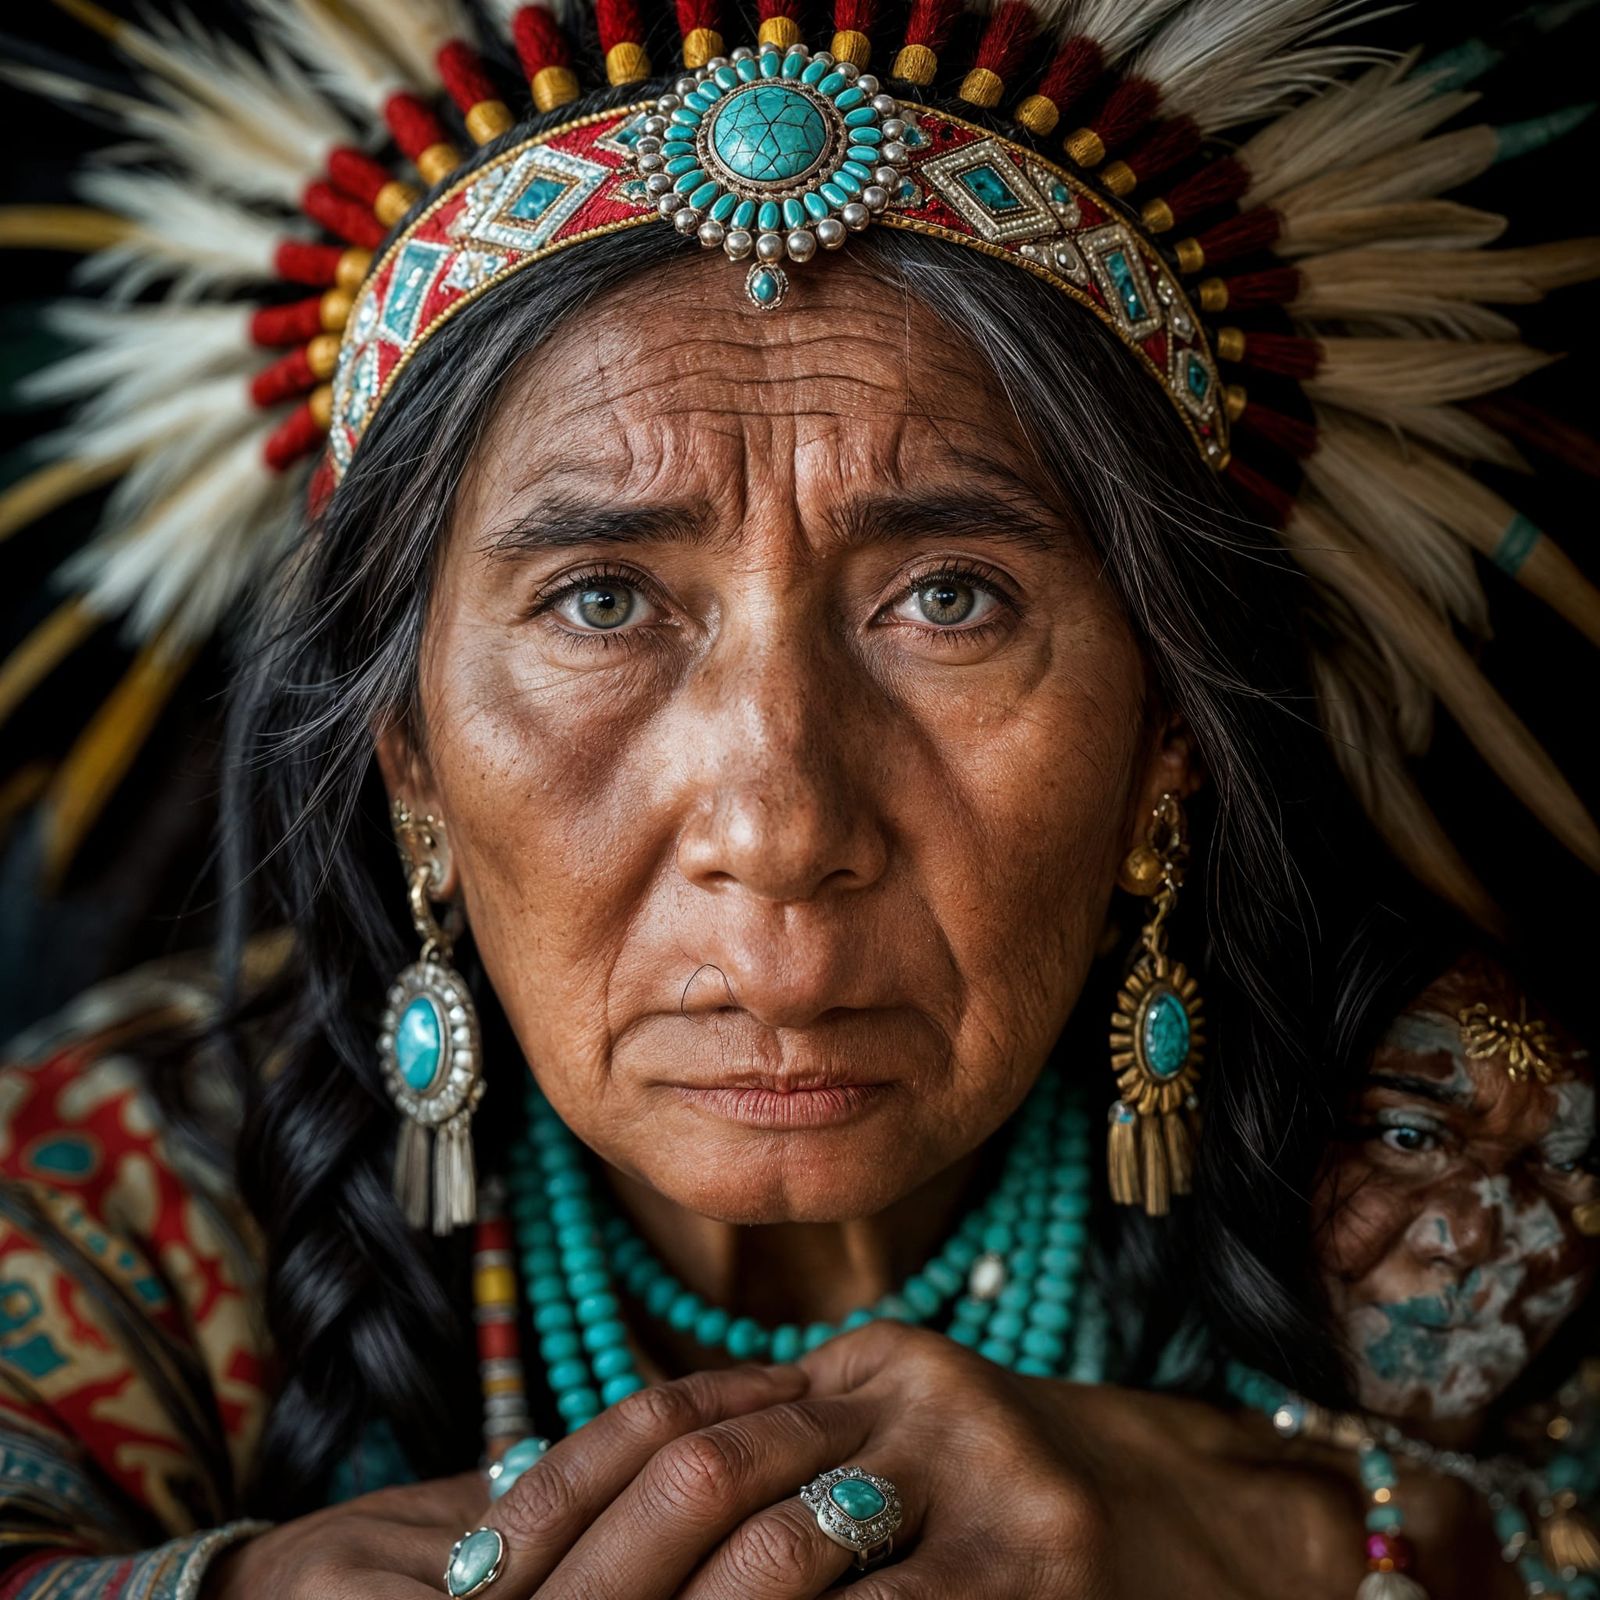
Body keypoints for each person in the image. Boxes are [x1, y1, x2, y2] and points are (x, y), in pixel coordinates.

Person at [0, 0, 1595, 1595]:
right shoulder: (125, 1195)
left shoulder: (1452, 1180)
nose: (778, 828)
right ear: (408, 757)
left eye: (952, 599)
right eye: (604, 603)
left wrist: (1277, 1531)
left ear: (1164, 735)